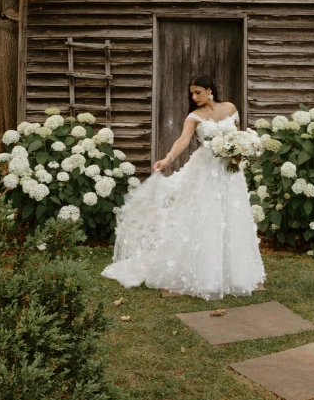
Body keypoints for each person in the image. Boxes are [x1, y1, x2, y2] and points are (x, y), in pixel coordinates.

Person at [101, 73, 266, 300]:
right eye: (192, 94)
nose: (195, 97)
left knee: (232, 216)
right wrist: (167, 159)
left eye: (198, 92)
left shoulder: (230, 108)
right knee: (207, 217)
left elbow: (238, 135)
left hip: (230, 173)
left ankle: (235, 274)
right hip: (206, 171)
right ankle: (207, 276)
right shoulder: (194, 116)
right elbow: (183, 141)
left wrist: (239, 153)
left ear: (210, 89)